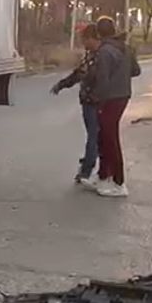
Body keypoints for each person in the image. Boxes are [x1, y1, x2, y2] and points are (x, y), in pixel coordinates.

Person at [90, 16, 140, 197]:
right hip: (123, 95)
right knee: (106, 136)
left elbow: (102, 80)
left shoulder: (105, 51)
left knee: (109, 139)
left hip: (109, 98)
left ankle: (119, 182)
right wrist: (121, 75)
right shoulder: (125, 48)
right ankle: (103, 176)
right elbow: (136, 71)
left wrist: (98, 99)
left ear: (98, 32)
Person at [50, 24, 103, 184]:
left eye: (84, 40)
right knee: (94, 135)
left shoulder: (100, 56)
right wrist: (62, 85)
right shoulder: (91, 55)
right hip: (89, 100)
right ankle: (92, 164)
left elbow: (84, 74)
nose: (83, 44)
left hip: (94, 101)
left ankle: (87, 169)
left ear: (92, 38)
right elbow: (78, 74)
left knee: (93, 136)